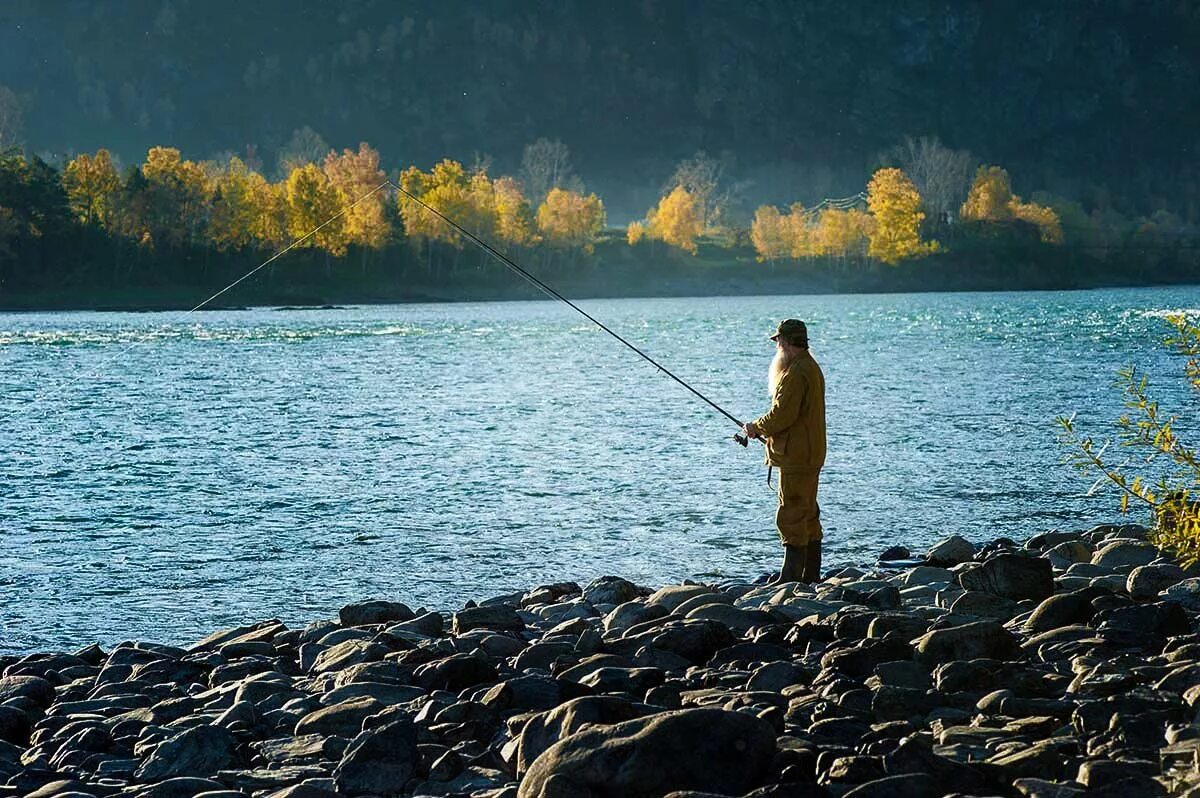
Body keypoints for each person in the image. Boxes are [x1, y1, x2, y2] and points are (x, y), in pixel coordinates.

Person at [742, 319, 827, 584]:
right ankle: (810, 575)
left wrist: (756, 427)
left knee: (791, 511)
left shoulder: (795, 373)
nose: (777, 346)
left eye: (778, 341)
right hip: (810, 452)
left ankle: (790, 577)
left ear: (787, 342)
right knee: (807, 511)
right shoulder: (810, 367)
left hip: (797, 456)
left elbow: (782, 415)